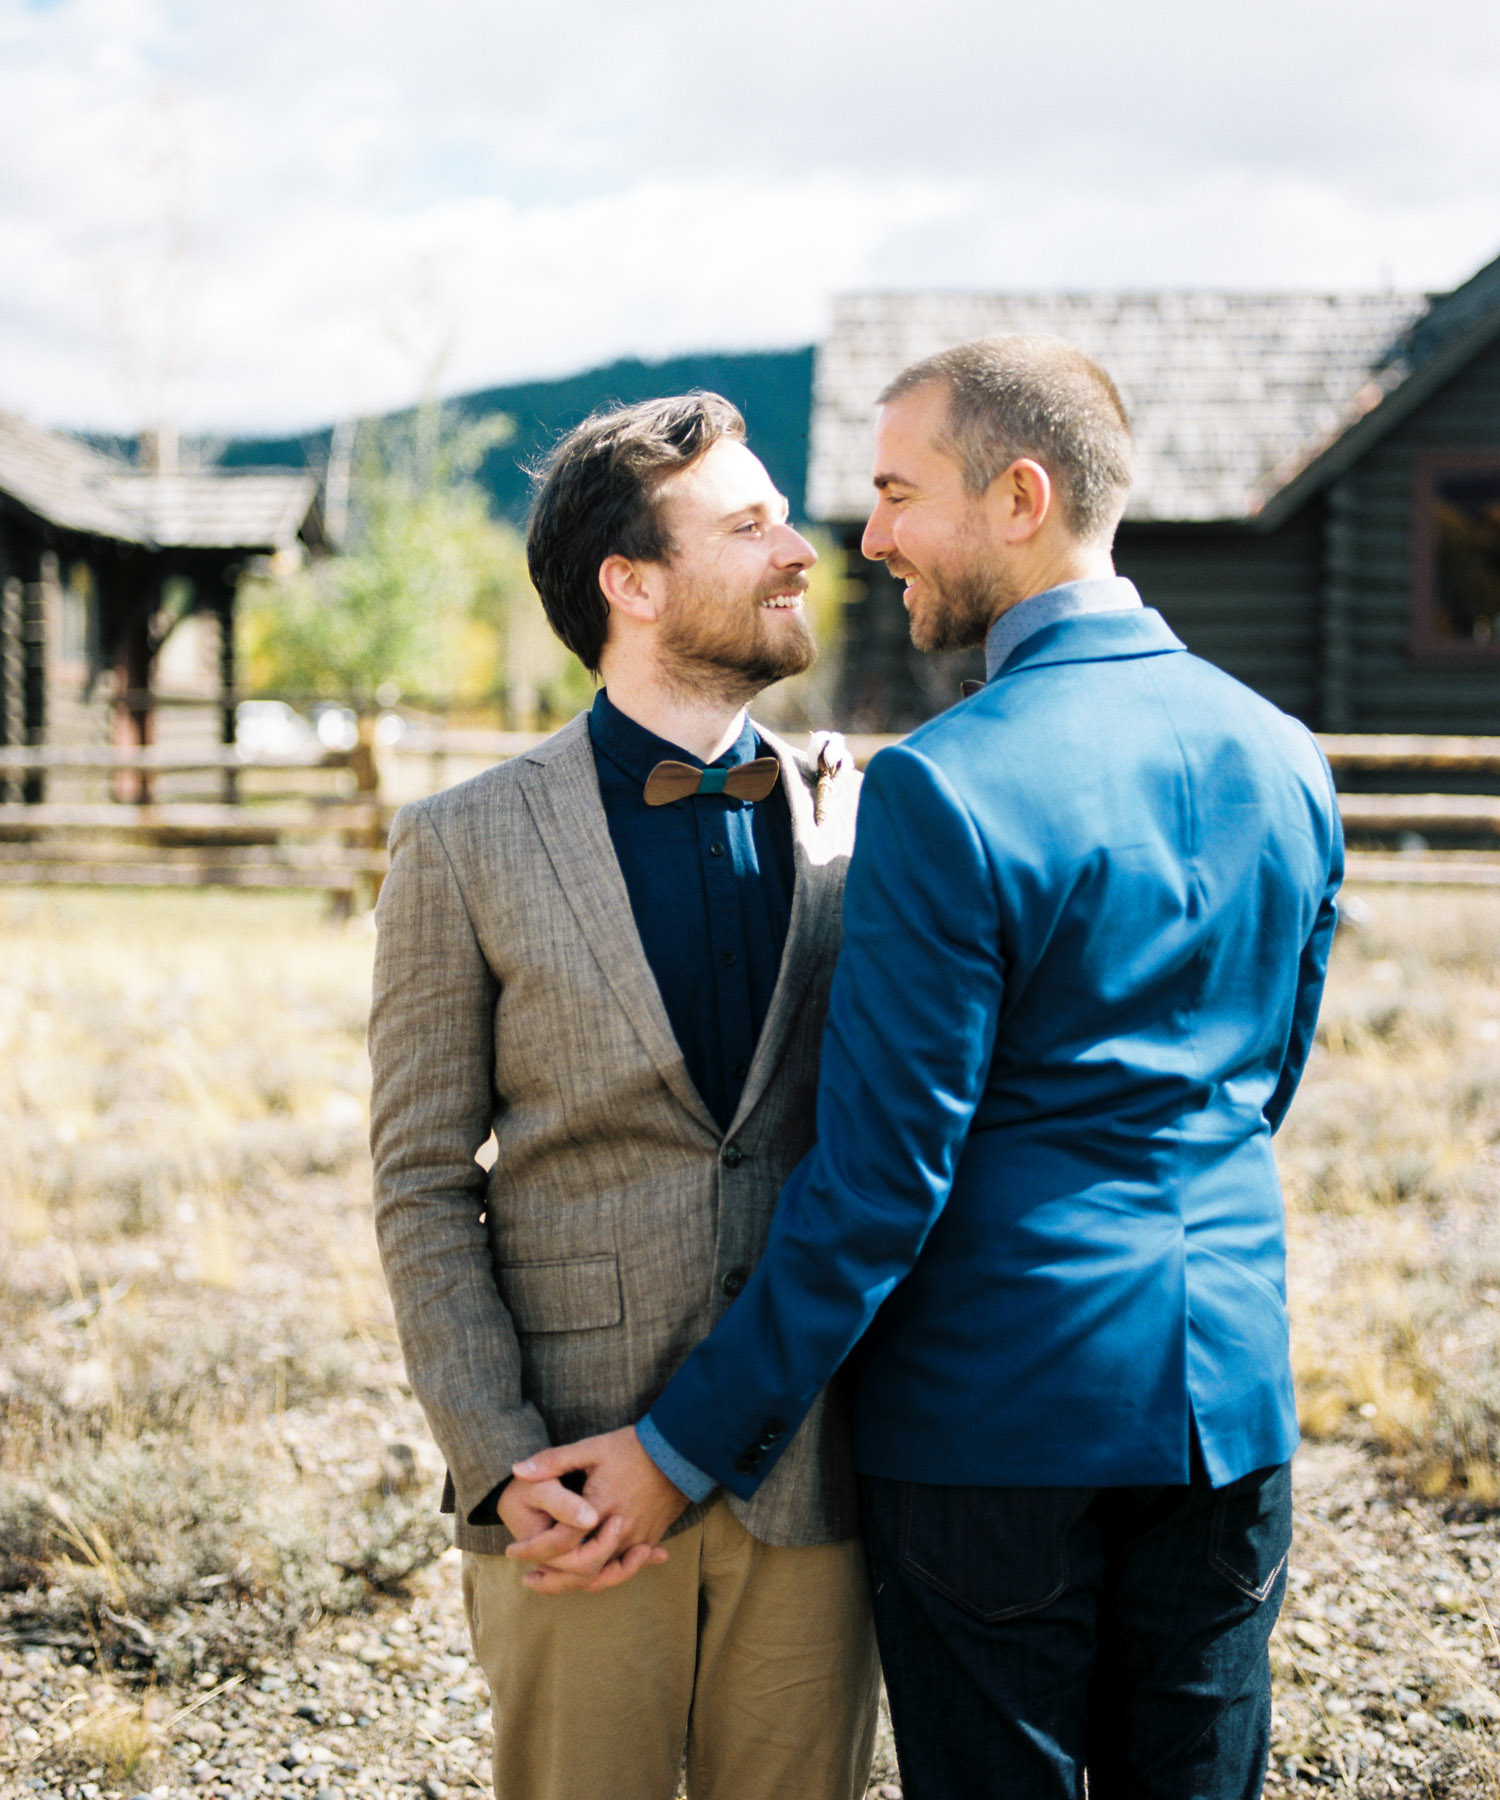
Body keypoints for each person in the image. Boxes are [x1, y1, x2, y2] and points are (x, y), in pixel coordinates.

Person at [521, 337, 1344, 1800]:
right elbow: (1267, 1081)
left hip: (995, 1430)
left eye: (900, 494)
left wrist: (682, 1446)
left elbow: (879, 1189)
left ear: (1021, 496)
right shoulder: (1284, 755)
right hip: (1230, 1397)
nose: (871, 535)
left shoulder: (948, 787)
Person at [367, 392, 877, 1800]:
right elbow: (419, 1179)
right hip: (570, 1490)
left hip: (812, 1475)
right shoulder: (460, 843)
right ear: (633, 584)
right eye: (750, 523)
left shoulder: (860, 810)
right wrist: (497, 1459)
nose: (797, 548)